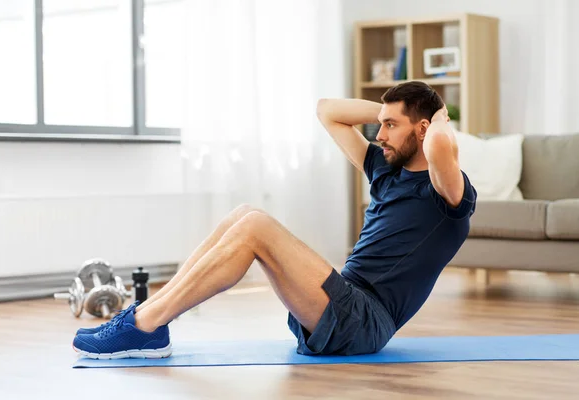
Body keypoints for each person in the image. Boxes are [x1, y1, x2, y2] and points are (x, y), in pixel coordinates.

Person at [73, 81, 476, 359]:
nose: (380, 133)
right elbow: (327, 111)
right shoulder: (387, 169)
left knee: (257, 227)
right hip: (335, 306)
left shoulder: (446, 193)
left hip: (364, 323)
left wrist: (435, 116)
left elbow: (440, 144)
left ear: (422, 130)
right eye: (381, 124)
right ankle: (147, 315)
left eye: (390, 125)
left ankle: (145, 327)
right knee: (244, 214)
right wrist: (392, 111)